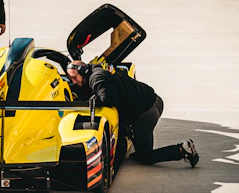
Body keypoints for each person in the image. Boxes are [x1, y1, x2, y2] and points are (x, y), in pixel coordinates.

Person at [66, 60, 199, 167]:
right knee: (138, 147)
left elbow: (107, 99)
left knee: (146, 157)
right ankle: (140, 150)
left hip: (146, 113)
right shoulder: (100, 67)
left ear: (84, 72)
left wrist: (89, 102)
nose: (73, 82)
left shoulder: (96, 79)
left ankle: (182, 149)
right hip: (153, 100)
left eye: (74, 77)